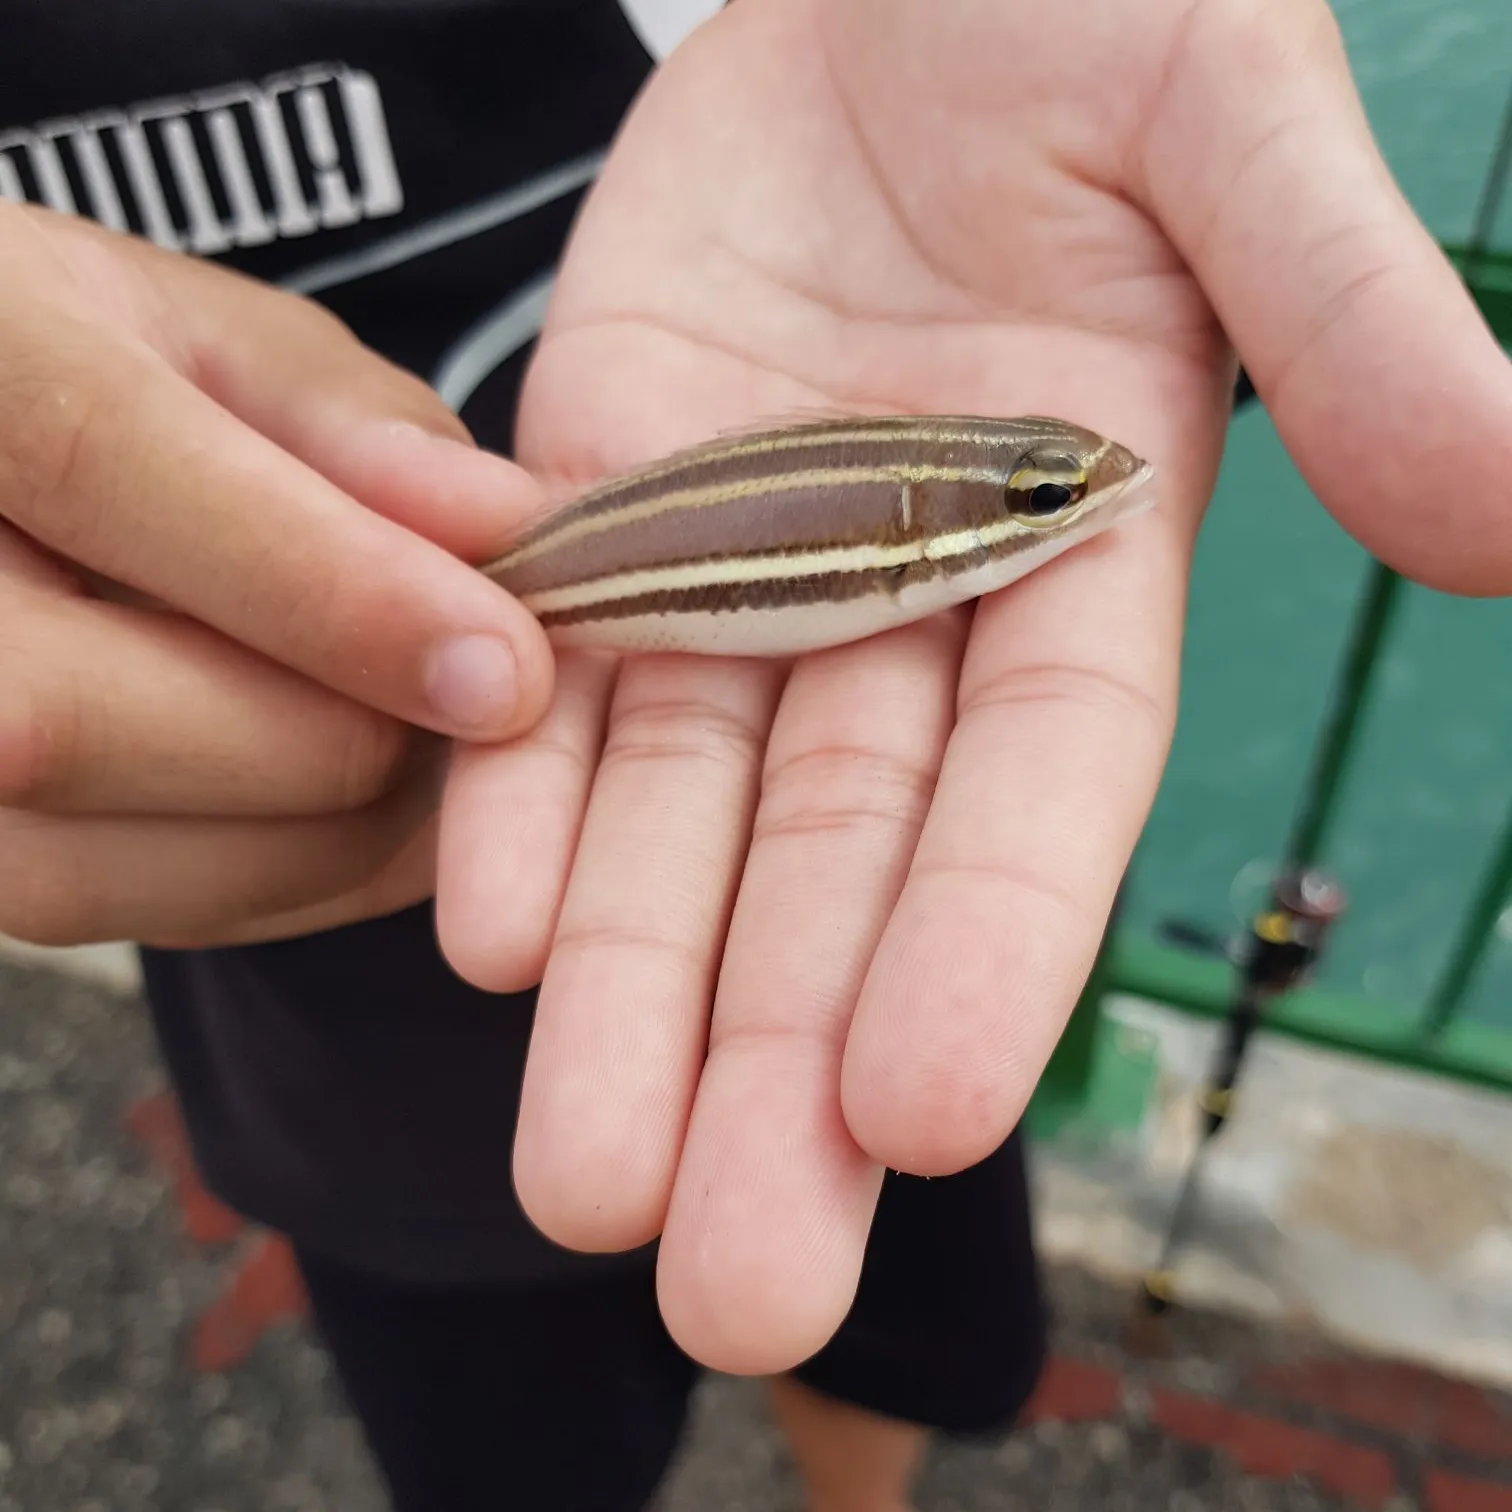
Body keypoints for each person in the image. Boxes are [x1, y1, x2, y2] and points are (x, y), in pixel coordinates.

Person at [2, 1, 1509, 1509]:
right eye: (1043, 497)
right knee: (516, 1437)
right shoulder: (901, 543)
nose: (1078, 500)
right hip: (338, 1027)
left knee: (878, 1225)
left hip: (855, 946)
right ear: (945, 532)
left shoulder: (922, 528)